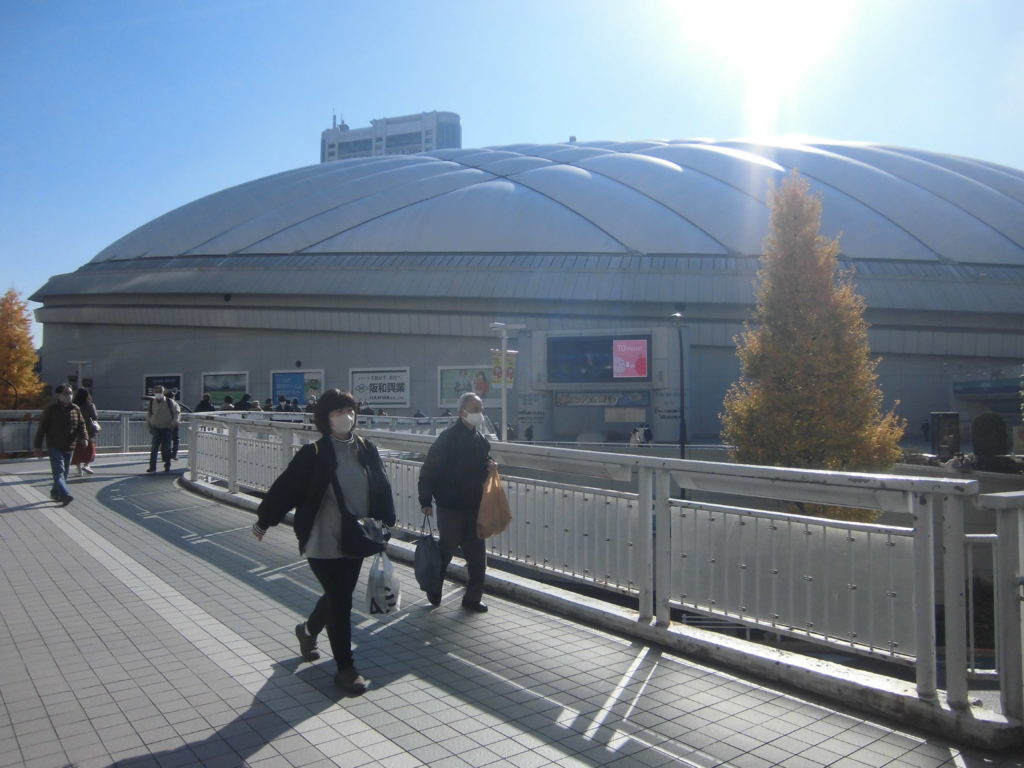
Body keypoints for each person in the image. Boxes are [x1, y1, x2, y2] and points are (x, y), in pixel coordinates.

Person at [252, 390, 396, 694]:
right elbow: (286, 488)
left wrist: (386, 524)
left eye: (349, 410)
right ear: (324, 418)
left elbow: (381, 486)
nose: (346, 416)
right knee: (341, 599)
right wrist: (265, 520)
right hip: (322, 538)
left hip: (355, 537)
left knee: (337, 595)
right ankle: (345, 667)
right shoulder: (314, 453)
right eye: (338, 411)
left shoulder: (366, 448)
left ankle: (307, 631)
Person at [418, 392, 494, 612]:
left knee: (478, 557)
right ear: (462, 412)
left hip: (474, 506)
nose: (480, 414)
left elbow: (483, 463)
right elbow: (429, 470)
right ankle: (434, 589)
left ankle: (472, 598)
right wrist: (425, 500)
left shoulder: (481, 441)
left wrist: (490, 465)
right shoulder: (447, 439)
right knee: (445, 552)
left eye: (481, 409)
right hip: (450, 506)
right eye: (476, 409)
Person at [34, 384, 88, 506]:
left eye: (70, 393)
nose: (69, 396)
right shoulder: (51, 409)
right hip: (55, 445)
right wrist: (37, 446)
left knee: (65, 474)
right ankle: (65, 494)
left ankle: (55, 493)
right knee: (59, 471)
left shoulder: (75, 409)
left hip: (69, 446)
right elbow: (42, 428)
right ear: (58, 395)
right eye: (66, 393)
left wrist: (84, 437)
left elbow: (81, 425)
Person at [146, 385, 180, 473]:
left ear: (163, 392)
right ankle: (152, 467)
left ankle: (167, 465)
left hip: (167, 428)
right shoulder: (152, 402)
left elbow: (177, 412)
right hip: (156, 428)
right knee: (154, 448)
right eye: (156, 391)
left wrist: (173, 423)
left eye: (160, 391)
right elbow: (149, 414)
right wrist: (149, 425)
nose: (158, 393)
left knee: (166, 448)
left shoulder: (169, 401)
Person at [72, 387, 99, 475]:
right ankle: (86, 465)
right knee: (90, 449)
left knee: (78, 450)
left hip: (77, 430)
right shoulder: (90, 405)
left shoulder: (74, 405)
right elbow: (95, 417)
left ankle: (79, 470)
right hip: (88, 430)